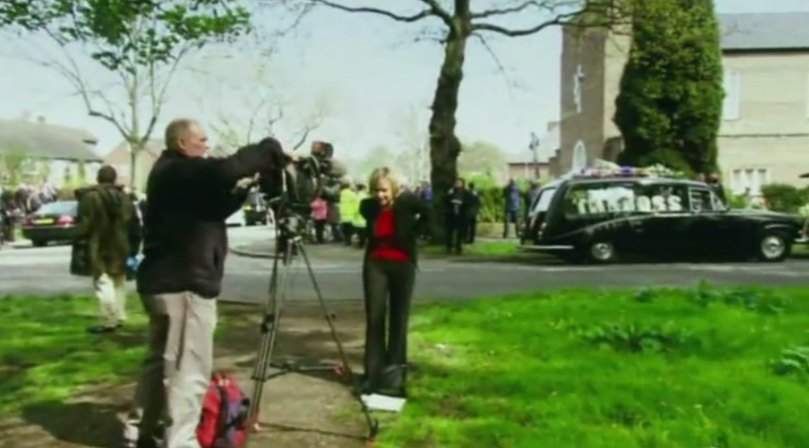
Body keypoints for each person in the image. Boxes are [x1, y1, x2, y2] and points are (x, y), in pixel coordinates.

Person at [124, 118, 286, 448]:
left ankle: (138, 431)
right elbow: (222, 172)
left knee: (160, 363)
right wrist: (268, 149)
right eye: (201, 140)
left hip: (164, 281)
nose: (207, 145)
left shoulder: (172, 176)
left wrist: (248, 186)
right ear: (182, 143)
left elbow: (214, 207)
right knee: (189, 368)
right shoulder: (178, 170)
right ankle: (180, 441)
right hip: (183, 283)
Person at [359, 167, 429, 397]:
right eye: (376, 190)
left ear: (394, 189)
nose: (380, 195)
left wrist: (414, 233)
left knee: (399, 320)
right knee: (375, 321)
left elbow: (431, 213)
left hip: (402, 266)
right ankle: (372, 376)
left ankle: (394, 377)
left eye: (384, 190)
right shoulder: (369, 207)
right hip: (375, 266)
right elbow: (368, 221)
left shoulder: (407, 202)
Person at [75, 165, 142, 334]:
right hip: (121, 244)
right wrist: (134, 247)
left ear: (98, 178)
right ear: (114, 179)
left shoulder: (90, 198)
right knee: (119, 281)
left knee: (102, 281)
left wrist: (78, 239)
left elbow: (85, 224)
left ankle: (108, 320)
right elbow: (135, 225)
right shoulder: (125, 198)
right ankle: (119, 316)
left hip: (98, 244)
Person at [445, 178, 468, 254]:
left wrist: (461, 203)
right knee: (450, 231)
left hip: (461, 214)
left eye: (459, 183)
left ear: (462, 184)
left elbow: (469, 201)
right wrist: (449, 196)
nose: (457, 184)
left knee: (460, 232)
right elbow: (445, 200)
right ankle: (449, 247)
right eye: (456, 183)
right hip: (451, 214)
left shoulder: (465, 192)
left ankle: (458, 248)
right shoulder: (451, 191)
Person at [339, 179, 360, 246]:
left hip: (343, 214)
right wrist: (357, 211)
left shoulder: (341, 194)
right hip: (351, 213)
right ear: (348, 186)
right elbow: (355, 203)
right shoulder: (352, 194)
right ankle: (349, 241)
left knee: (345, 229)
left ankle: (346, 241)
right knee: (350, 229)